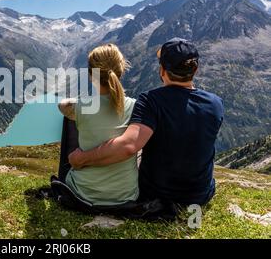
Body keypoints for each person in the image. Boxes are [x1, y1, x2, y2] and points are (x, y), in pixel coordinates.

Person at [68, 39, 224, 207]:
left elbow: (128, 146)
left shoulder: (151, 100)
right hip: (199, 196)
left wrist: (82, 158)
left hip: (157, 195)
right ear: (196, 69)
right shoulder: (216, 103)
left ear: (162, 70)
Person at [57, 43, 139, 206]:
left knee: (71, 120)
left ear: (90, 75)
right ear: (121, 71)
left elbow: (62, 105)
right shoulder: (135, 107)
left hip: (82, 193)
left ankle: (68, 169)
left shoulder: (82, 107)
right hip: (125, 195)